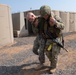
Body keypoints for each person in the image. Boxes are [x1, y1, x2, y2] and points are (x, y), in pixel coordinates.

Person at [37, 5, 64, 73]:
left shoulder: (55, 17)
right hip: (49, 38)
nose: (44, 16)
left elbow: (63, 26)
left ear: (49, 13)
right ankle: (53, 62)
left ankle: (53, 66)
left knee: (54, 53)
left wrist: (56, 23)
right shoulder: (43, 19)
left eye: (45, 15)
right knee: (47, 52)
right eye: (43, 15)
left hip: (56, 38)